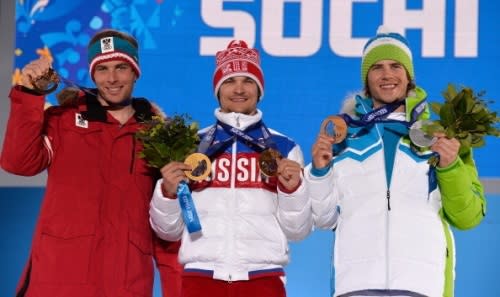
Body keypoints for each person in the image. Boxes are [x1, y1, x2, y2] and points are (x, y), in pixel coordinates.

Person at [305, 26, 486, 297]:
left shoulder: (440, 136)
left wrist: (450, 166)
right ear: (367, 79)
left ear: (409, 76)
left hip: (422, 283)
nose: (387, 74)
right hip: (356, 284)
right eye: (377, 67)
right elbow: (323, 218)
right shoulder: (345, 137)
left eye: (395, 66)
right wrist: (319, 172)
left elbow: (468, 216)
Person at [1, 29, 182, 297]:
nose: (111, 78)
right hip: (57, 280)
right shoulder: (63, 120)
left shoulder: (157, 134)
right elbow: (19, 163)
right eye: (102, 69)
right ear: (92, 74)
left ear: (135, 71)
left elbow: (167, 226)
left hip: (126, 284)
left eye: (121, 67)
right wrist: (29, 94)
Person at [149, 40, 313, 297]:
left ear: (260, 90)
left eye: (247, 81)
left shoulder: (285, 148)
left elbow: (298, 231)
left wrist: (294, 190)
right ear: (217, 89)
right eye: (229, 81)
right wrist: (167, 193)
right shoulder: (191, 147)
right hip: (200, 278)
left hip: (263, 279)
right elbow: (166, 230)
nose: (238, 89)